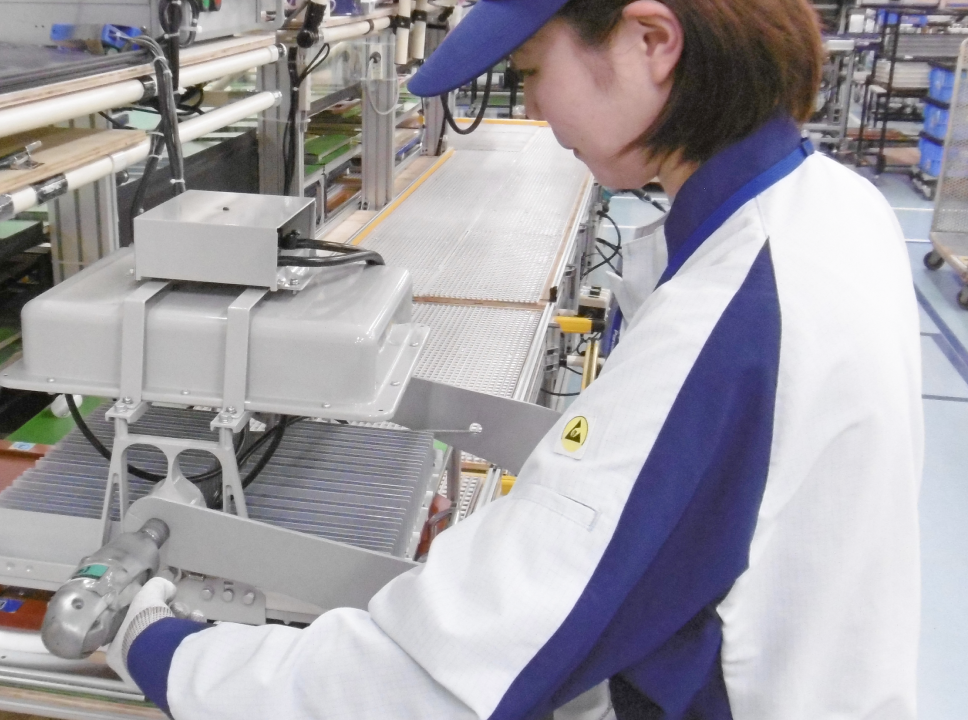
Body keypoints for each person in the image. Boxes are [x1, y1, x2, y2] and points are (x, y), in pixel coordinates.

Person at [109, 0, 924, 717]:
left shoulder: (735, 315)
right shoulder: (833, 207)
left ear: (652, 41)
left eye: (535, 70)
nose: (533, 106)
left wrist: (166, 650)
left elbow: (443, 680)